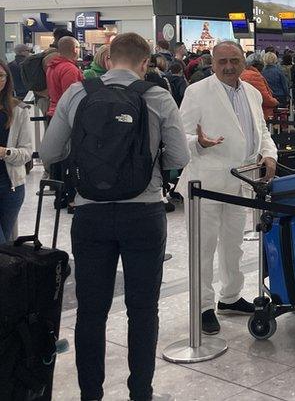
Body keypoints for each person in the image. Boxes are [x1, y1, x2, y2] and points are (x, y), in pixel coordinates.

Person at [38, 33, 190, 401]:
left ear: (108, 60)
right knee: (142, 309)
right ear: (145, 63)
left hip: (91, 214)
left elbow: (50, 151)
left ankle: (91, 394)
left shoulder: (78, 93)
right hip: (144, 213)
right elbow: (179, 157)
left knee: (92, 311)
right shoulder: (157, 96)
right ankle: (141, 392)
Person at [178, 40, 278, 335]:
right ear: (213, 63)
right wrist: (198, 142)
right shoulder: (197, 92)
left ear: (244, 61)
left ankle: (230, 296)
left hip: (242, 181)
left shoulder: (251, 92)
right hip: (205, 183)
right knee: (204, 247)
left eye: (234, 60)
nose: (229, 66)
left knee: (233, 245)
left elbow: (261, 131)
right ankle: (203, 305)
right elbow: (179, 136)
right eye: (222, 61)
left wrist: (269, 153)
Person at [0, 61, 33, 244]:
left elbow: (27, 152)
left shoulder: (19, 111)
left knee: (6, 246)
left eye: (1, 76)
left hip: (10, 186)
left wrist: (5, 152)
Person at [45, 35, 84, 118]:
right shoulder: (70, 69)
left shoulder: (52, 66)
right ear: (75, 49)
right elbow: (71, 96)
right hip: (65, 115)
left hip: (53, 111)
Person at [242, 55, 279, 120]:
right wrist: (275, 102)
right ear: (258, 65)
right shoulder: (255, 76)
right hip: (260, 113)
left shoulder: (243, 73)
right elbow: (264, 98)